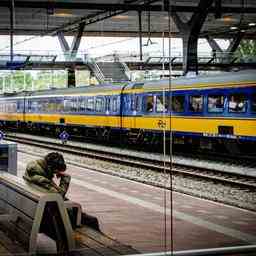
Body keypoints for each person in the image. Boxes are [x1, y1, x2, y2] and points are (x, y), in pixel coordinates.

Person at [23, 152, 100, 231]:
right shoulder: (41, 178)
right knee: (92, 221)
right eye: (55, 171)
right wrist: (65, 179)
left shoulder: (35, 170)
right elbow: (59, 196)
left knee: (83, 215)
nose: (55, 174)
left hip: (41, 211)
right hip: (51, 218)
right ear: (50, 167)